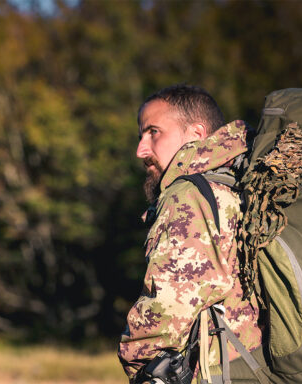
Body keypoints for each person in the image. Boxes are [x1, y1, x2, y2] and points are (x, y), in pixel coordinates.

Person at [118, 84, 262, 383]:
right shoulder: (236, 184)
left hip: (218, 373)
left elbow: (167, 307)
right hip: (254, 365)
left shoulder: (189, 194)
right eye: (140, 136)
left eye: (153, 132)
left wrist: (141, 367)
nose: (141, 150)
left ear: (196, 134)